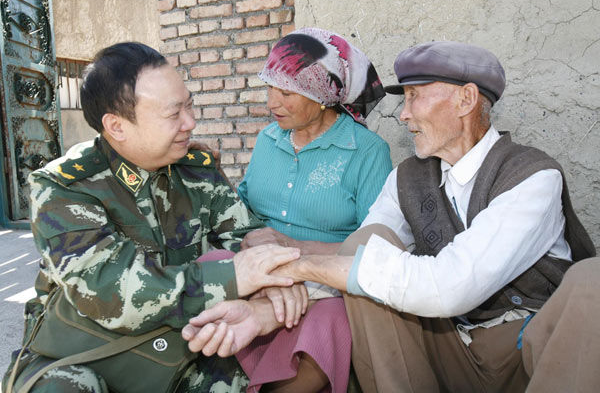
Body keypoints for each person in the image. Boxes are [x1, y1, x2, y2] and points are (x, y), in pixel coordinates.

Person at [182, 41, 599, 392]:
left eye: (416, 97)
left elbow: (451, 286)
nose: (403, 114)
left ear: (466, 100)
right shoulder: (409, 177)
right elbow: (357, 259)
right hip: (447, 344)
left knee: (592, 282)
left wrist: (301, 262)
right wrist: (266, 311)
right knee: (367, 243)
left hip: (527, 354)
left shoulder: (532, 176)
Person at [1, 42, 301, 393]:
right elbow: (112, 292)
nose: (190, 122)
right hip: (86, 354)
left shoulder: (195, 171)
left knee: (247, 374)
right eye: (174, 114)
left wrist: (268, 262)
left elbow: (244, 233)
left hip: (179, 348)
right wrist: (238, 276)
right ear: (117, 126)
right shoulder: (65, 188)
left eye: (189, 104)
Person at [234, 27, 392, 392]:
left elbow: (377, 247)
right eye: (270, 88)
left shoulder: (366, 151)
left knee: (331, 321)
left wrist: (294, 249)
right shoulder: (267, 139)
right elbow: (242, 211)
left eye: (286, 92)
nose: (273, 102)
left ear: (322, 96)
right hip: (264, 270)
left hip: (327, 278)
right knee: (209, 273)